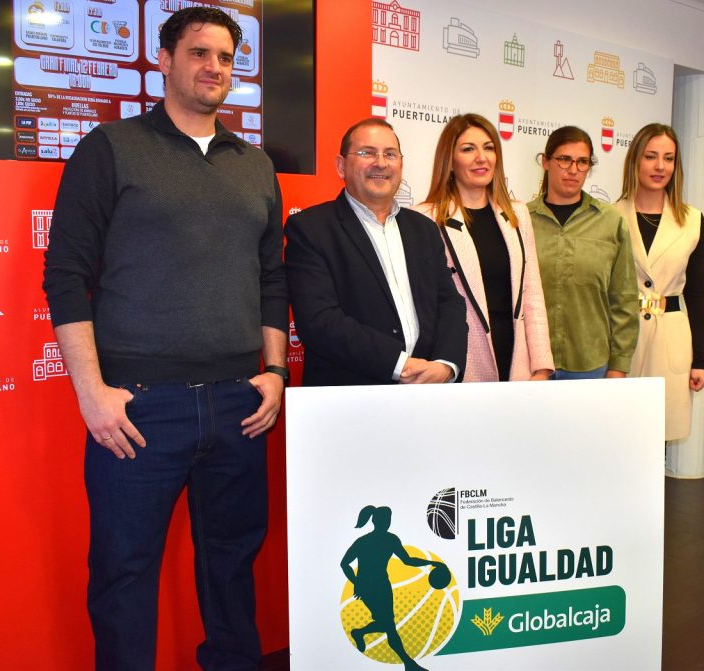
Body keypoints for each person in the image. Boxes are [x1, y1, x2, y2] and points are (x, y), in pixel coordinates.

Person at [42, 8, 288, 670]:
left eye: (227, 58)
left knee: (233, 574)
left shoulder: (255, 165)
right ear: (165, 59)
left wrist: (273, 372)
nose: (216, 68)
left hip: (242, 405)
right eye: (200, 53)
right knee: (124, 580)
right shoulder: (111, 148)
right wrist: (91, 393)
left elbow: (271, 279)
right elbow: (65, 276)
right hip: (141, 409)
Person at [284, 118, 467, 386]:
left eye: (390, 154)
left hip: (427, 395)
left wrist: (446, 365)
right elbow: (319, 321)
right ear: (341, 166)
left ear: (400, 166)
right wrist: (400, 365)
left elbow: (449, 302)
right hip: (350, 401)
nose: (380, 162)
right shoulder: (311, 229)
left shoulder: (424, 229)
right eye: (366, 153)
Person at [414, 113, 553, 381]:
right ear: (450, 162)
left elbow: (532, 293)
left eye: (489, 148)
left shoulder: (517, 214)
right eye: (468, 149)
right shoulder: (425, 218)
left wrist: (542, 366)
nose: (482, 157)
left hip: (517, 362)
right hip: (459, 363)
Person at [615, 123, 704, 440]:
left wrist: (700, 360)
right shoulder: (611, 215)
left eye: (668, 158)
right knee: (619, 433)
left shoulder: (692, 219)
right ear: (635, 160)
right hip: (623, 337)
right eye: (651, 156)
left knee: (657, 436)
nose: (659, 166)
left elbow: (696, 294)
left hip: (671, 334)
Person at [528, 126, 639, 380]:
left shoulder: (611, 221)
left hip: (590, 365)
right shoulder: (522, 220)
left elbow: (624, 299)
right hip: (532, 365)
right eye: (564, 159)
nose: (573, 170)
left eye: (582, 162)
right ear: (546, 162)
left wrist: (618, 366)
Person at [340, 506, 445, 671]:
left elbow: (407, 560)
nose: (387, 523)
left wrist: (430, 562)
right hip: (367, 587)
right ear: (377, 521)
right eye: (385, 520)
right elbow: (344, 563)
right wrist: (357, 582)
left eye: (388, 520)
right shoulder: (364, 541)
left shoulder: (390, 540)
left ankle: (359, 633)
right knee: (389, 626)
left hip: (383, 586)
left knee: (387, 624)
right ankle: (409, 664)